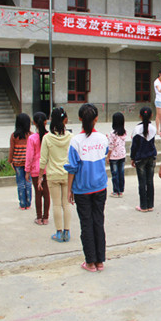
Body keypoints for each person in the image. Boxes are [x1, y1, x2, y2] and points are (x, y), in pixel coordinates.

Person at [65, 104, 108, 272]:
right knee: (98, 222)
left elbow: (72, 168)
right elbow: (105, 156)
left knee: (86, 224)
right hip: (100, 187)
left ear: (80, 119)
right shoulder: (103, 139)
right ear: (96, 119)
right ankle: (100, 261)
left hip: (82, 189)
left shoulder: (76, 141)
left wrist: (69, 189)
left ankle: (90, 262)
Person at [40, 107, 72, 242]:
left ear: (51, 119)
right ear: (65, 120)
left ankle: (58, 233)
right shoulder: (70, 137)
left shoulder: (47, 138)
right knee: (67, 204)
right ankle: (67, 232)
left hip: (53, 175)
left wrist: (40, 176)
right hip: (67, 174)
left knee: (57, 204)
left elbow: (43, 160)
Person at [131, 107, 157, 212]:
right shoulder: (153, 128)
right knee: (150, 181)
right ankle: (150, 205)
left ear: (140, 116)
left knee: (142, 182)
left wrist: (132, 158)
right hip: (151, 157)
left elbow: (134, 146)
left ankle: (143, 206)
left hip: (140, 158)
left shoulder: (137, 129)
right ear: (151, 115)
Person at [26, 112, 50, 225]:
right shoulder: (49, 136)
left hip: (35, 169)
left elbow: (29, 156)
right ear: (46, 122)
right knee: (46, 193)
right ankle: (46, 217)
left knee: (38, 193)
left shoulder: (32, 138)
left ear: (34, 123)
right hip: (48, 168)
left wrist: (27, 170)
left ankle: (39, 217)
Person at [9, 113, 33, 210]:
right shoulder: (31, 135)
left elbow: (12, 149)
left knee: (20, 183)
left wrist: (10, 161)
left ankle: (22, 204)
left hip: (17, 162)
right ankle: (28, 203)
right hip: (29, 163)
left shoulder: (14, 136)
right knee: (28, 182)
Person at [107, 112, 127, 198]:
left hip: (114, 156)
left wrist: (108, 156)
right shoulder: (124, 132)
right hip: (122, 155)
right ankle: (121, 190)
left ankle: (116, 191)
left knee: (115, 174)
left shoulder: (113, 133)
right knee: (121, 173)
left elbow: (111, 146)